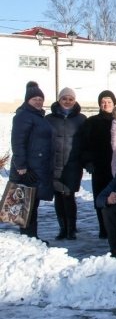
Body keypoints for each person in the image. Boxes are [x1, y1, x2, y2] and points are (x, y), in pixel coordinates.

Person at [9, 82, 54, 241]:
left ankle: (31, 236)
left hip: (37, 166)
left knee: (32, 203)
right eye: (34, 98)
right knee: (27, 203)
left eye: (40, 99)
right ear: (27, 100)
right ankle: (28, 237)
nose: (38, 101)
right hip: (27, 169)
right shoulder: (23, 116)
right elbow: (18, 142)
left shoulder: (36, 116)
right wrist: (21, 167)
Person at [45, 87, 87, 240]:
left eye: (71, 99)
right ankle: (62, 228)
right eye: (64, 98)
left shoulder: (81, 119)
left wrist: (84, 160)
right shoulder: (49, 119)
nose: (67, 101)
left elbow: (85, 142)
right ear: (59, 100)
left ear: (74, 101)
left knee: (69, 195)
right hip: (54, 163)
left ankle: (71, 228)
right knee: (58, 195)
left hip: (72, 163)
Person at [81, 89, 116, 238]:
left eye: (109, 102)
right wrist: (87, 162)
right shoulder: (91, 122)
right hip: (99, 166)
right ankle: (103, 228)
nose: (106, 104)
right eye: (103, 102)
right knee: (100, 198)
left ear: (114, 103)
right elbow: (84, 144)